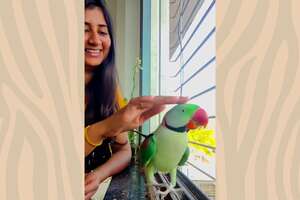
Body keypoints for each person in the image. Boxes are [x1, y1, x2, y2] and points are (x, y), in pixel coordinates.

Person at [84, 1, 189, 199]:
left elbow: (123, 150)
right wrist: (105, 128)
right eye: (84, 29)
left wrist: (97, 175)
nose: (95, 40)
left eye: (103, 32)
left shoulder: (109, 87)